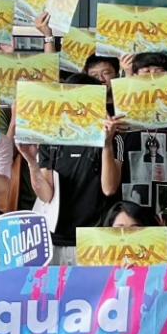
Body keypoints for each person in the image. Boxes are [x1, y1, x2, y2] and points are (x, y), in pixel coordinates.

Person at [26, 46, 120, 264]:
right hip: (55, 239)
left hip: (95, 240)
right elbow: (46, 195)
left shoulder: (115, 140)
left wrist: (107, 144)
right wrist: (31, 160)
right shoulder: (50, 141)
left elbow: (109, 188)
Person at [101, 51, 167, 234]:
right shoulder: (119, 121)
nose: (152, 77)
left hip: (166, 213)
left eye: (158, 72)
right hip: (126, 214)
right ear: (135, 76)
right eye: (146, 71)